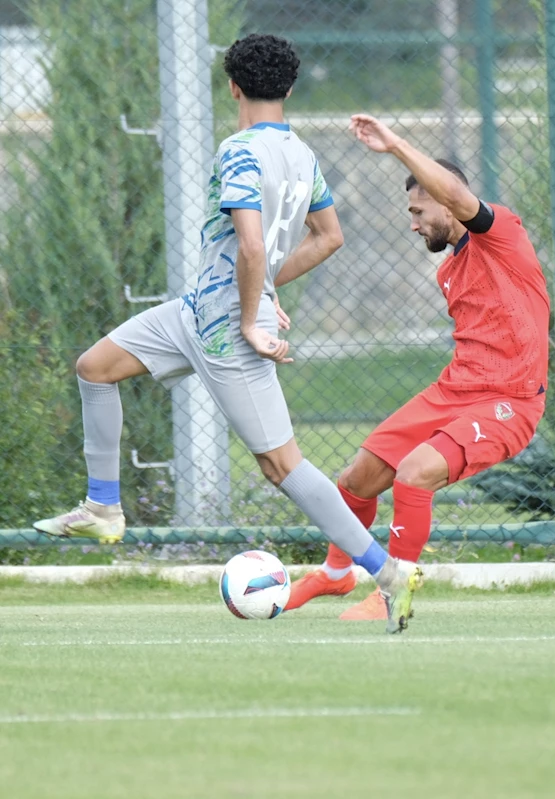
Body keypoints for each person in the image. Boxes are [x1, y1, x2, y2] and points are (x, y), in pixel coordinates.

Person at [33, 37, 422, 634]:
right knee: (95, 367)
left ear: (232, 87)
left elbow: (250, 243)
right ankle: (103, 506)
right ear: (289, 89)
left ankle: (385, 569)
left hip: (227, 328)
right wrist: (265, 291)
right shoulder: (302, 154)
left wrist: (251, 315)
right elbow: (328, 236)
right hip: (196, 311)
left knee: (281, 465)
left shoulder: (238, 151)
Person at [285, 113, 550, 619]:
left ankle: (394, 591)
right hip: (455, 391)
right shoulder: (450, 269)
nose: (412, 223)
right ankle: (335, 575)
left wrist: (396, 146)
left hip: (509, 402)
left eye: (418, 210)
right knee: (356, 480)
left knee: (414, 474)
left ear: (448, 203)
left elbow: (451, 192)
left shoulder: (503, 236)